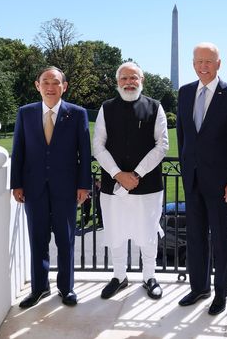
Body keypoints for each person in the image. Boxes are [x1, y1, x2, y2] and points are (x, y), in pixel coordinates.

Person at [176, 42, 227, 315]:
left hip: (221, 184)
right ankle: (199, 288)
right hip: (192, 179)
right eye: (198, 61)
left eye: (209, 61)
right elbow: (183, 137)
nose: (203, 66)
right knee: (195, 237)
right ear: (193, 64)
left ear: (219, 63)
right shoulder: (184, 93)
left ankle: (221, 294)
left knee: (220, 239)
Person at [11, 66, 92, 308]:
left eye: (55, 82)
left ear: (64, 86)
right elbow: (18, 151)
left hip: (66, 189)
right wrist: (16, 184)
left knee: (66, 240)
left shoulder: (77, 114)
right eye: (45, 81)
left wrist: (83, 185)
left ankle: (66, 289)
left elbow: (84, 153)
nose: (50, 86)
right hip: (33, 188)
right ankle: (39, 289)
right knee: (37, 239)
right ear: (37, 85)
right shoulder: (25, 113)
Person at [93, 62, 169, 300]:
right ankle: (119, 276)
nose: (129, 82)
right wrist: (118, 174)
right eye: (124, 78)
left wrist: (136, 174)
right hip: (113, 185)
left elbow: (162, 145)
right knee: (115, 230)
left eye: (133, 77)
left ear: (142, 80)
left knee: (147, 231)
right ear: (118, 82)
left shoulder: (155, 107)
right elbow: (98, 145)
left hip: (146, 185)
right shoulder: (106, 108)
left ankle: (149, 276)